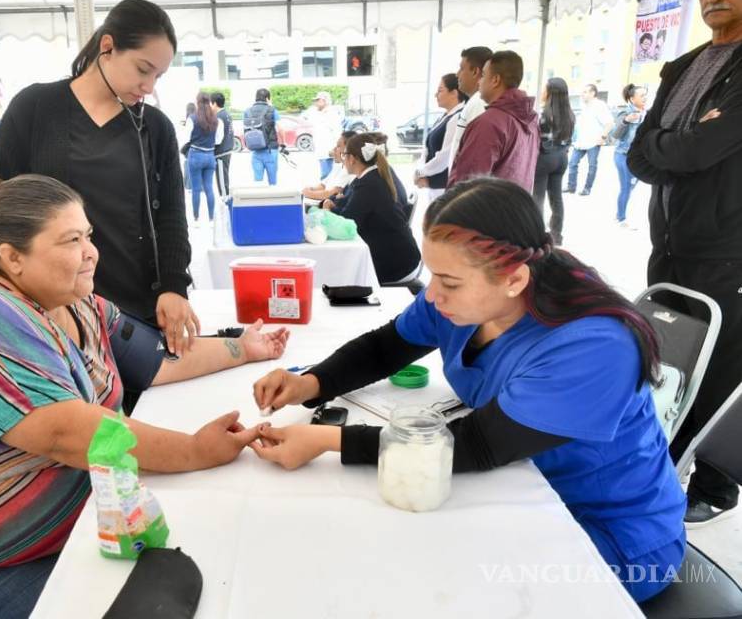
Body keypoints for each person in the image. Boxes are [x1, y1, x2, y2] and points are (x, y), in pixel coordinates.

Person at [250, 177, 687, 603]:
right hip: (520, 492)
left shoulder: (595, 346)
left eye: (449, 282)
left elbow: (478, 444)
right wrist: (311, 383)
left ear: (514, 280)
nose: (432, 295)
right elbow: (388, 346)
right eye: (433, 276)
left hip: (612, 535)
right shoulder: (466, 294)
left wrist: (328, 440)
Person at [0, 174, 282, 618]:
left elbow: (156, 362)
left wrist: (245, 348)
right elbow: (68, 434)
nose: (91, 251)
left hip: (63, 535)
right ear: (12, 257)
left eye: (88, 235)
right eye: (72, 240)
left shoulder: (76, 302)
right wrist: (194, 451)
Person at [0, 0, 198, 360]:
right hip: (51, 316)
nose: (148, 86)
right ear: (108, 46)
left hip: (137, 313)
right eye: (143, 69)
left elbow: (171, 215)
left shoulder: (155, 128)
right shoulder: (34, 109)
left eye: (158, 76)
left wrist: (173, 285)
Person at [627, 0, 742, 526]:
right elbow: (637, 156)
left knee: (723, 368)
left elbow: (701, 150)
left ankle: (716, 484)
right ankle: (663, 464)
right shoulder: (683, 66)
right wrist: (680, 142)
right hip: (670, 243)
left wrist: (675, 144)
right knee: (670, 360)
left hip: (728, 248)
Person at [329, 132, 421, 285]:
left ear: (352, 158)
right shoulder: (369, 177)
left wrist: (330, 209)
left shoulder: (369, 184)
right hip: (399, 257)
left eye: (344, 155)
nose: (343, 159)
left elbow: (347, 222)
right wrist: (334, 204)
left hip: (398, 265)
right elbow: (347, 203)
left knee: (339, 273)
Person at [449, 51, 540, 192]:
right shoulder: (532, 123)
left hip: (487, 205)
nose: (479, 81)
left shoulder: (489, 123)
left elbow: (468, 186)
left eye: (483, 75)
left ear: (495, 80)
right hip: (516, 204)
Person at [532, 77, 575, 245]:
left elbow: (538, 140)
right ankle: (556, 235)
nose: (543, 92)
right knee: (556, 198)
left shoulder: (544, 115)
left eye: (545, 89)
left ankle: (536, 235)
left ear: (550, 93)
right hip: (562, 158)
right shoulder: (570, 114)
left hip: (545, 158)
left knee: (538, 197)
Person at [414, 73, 468, 200]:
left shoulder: (457, 118)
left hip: (443, 187)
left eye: (440, 90)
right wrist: (420, 169)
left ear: (454, 93)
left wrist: (421, 172)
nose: (436, 95)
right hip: (434, 187)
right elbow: (427, 149)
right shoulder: (444, 116)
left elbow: (445, 157)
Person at [448, 46, 492, 170]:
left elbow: (475, 157)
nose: (457, 74)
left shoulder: (479, 103)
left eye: (462, 69)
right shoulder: (474, 101)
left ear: (475, 72)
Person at [184, 92, 223, 227]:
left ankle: (196, 219)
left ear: (197, 103)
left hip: (195, 155)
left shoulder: (192, 118)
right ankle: (211, 219)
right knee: (209, 188)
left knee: (196, 189)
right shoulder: (217, 120)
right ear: (209, 103)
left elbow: (186, 138)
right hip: (210, 155)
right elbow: (218, 140)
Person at [566, 84, 613, 195]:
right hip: (581, 142)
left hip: (594, 142)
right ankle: (571, 187)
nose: (582, 94)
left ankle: (587, 189)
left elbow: (610, 123)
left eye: (585, 92)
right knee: (572, 163)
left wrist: (603, 137)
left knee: (592, 166)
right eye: (582, 92)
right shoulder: (584, 105)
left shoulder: (599, 105)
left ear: (593, 93)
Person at [612, 84, 647, 228]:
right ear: (632, 99)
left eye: (645, 95)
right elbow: (615, 135)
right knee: (626, 187)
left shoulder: (647, 113)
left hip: (639, 156)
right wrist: (626, 121)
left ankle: (619, 213)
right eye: (641, 96)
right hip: (623, 155)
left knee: (630, 186)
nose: (645, 98)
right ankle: (621, 218)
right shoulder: (625, 112)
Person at [243, 88, 282, 185]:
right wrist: (283, 143)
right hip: (271, 150)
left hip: (256, 151)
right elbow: (281, 129)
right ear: (268, 98)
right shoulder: (272, 110)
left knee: (258, 182)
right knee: (272, 182)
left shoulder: (247, 111)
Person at [303, 130, 355, 202]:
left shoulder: (349, 170)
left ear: (347, 149)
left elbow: (331, 193)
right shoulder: (339, 166)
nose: (334, 149)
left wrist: (308, 193)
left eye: (338, 146)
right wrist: (310, 189)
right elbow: (323, 185)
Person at [305, 91, 341, 179]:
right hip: (320, 149)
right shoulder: (315, 113)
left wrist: (336, 147)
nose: (316, 102)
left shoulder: (332, 113)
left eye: (318, 100)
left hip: (329, 148)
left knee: (328, 175)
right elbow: (307, 119)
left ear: (325, 101)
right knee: (326, 173)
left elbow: (337, 131)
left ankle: (328, 187)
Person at [212, 91, 233, 196]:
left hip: (221, 152)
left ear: (214, 103)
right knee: (224, 177)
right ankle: (226, 199)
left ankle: (225, 201)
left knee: (222, 180)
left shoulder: (219, 117)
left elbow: (218, 139)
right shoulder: (227, 114)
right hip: (227, 150)